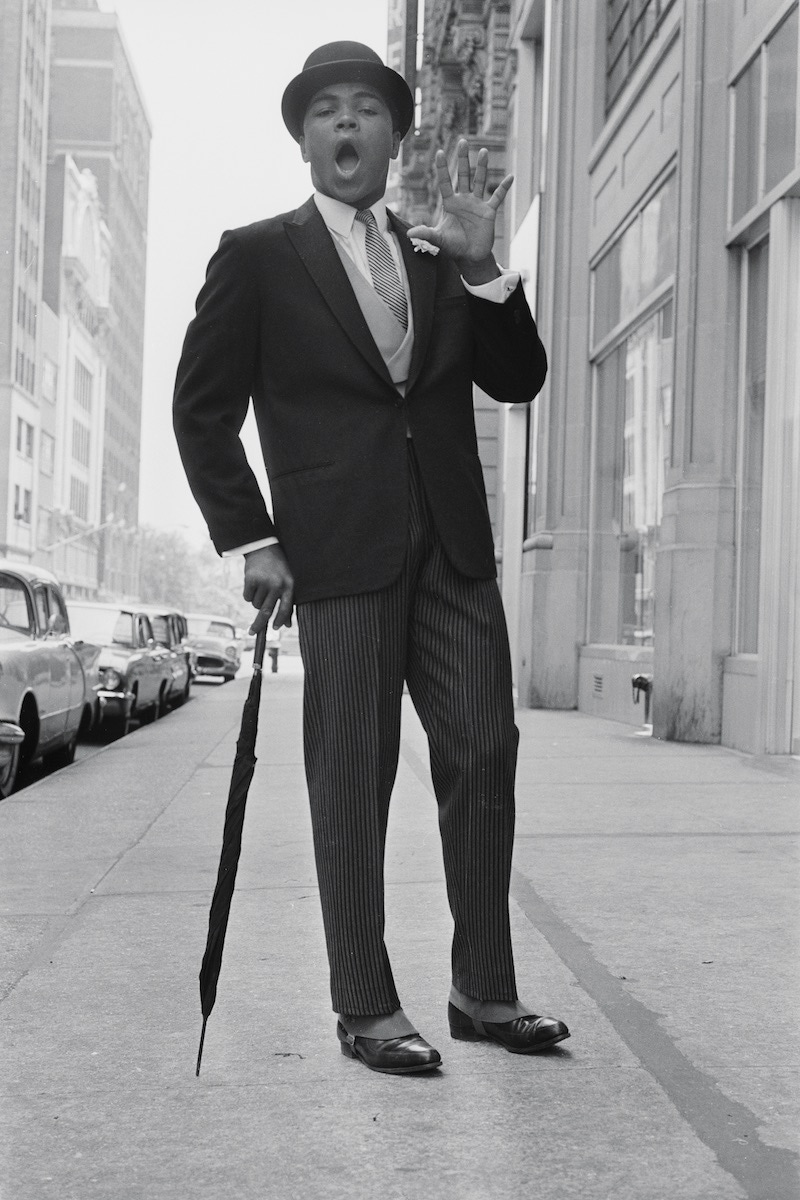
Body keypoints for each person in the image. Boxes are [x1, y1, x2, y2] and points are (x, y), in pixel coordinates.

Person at [174, 41, 569, 1075]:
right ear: (304, 138)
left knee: (483, 751)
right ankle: (364, 1003)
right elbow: (202, 412)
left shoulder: (439, 259)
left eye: (364, 110)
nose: (344, 127)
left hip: (450, 547)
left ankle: (483, 988)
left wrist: (486, 269)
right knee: (352, 774)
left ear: (396, 135)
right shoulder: (257, 255)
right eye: (323, 113)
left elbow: (518, 378)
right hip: (334, 552)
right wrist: (253, 537)